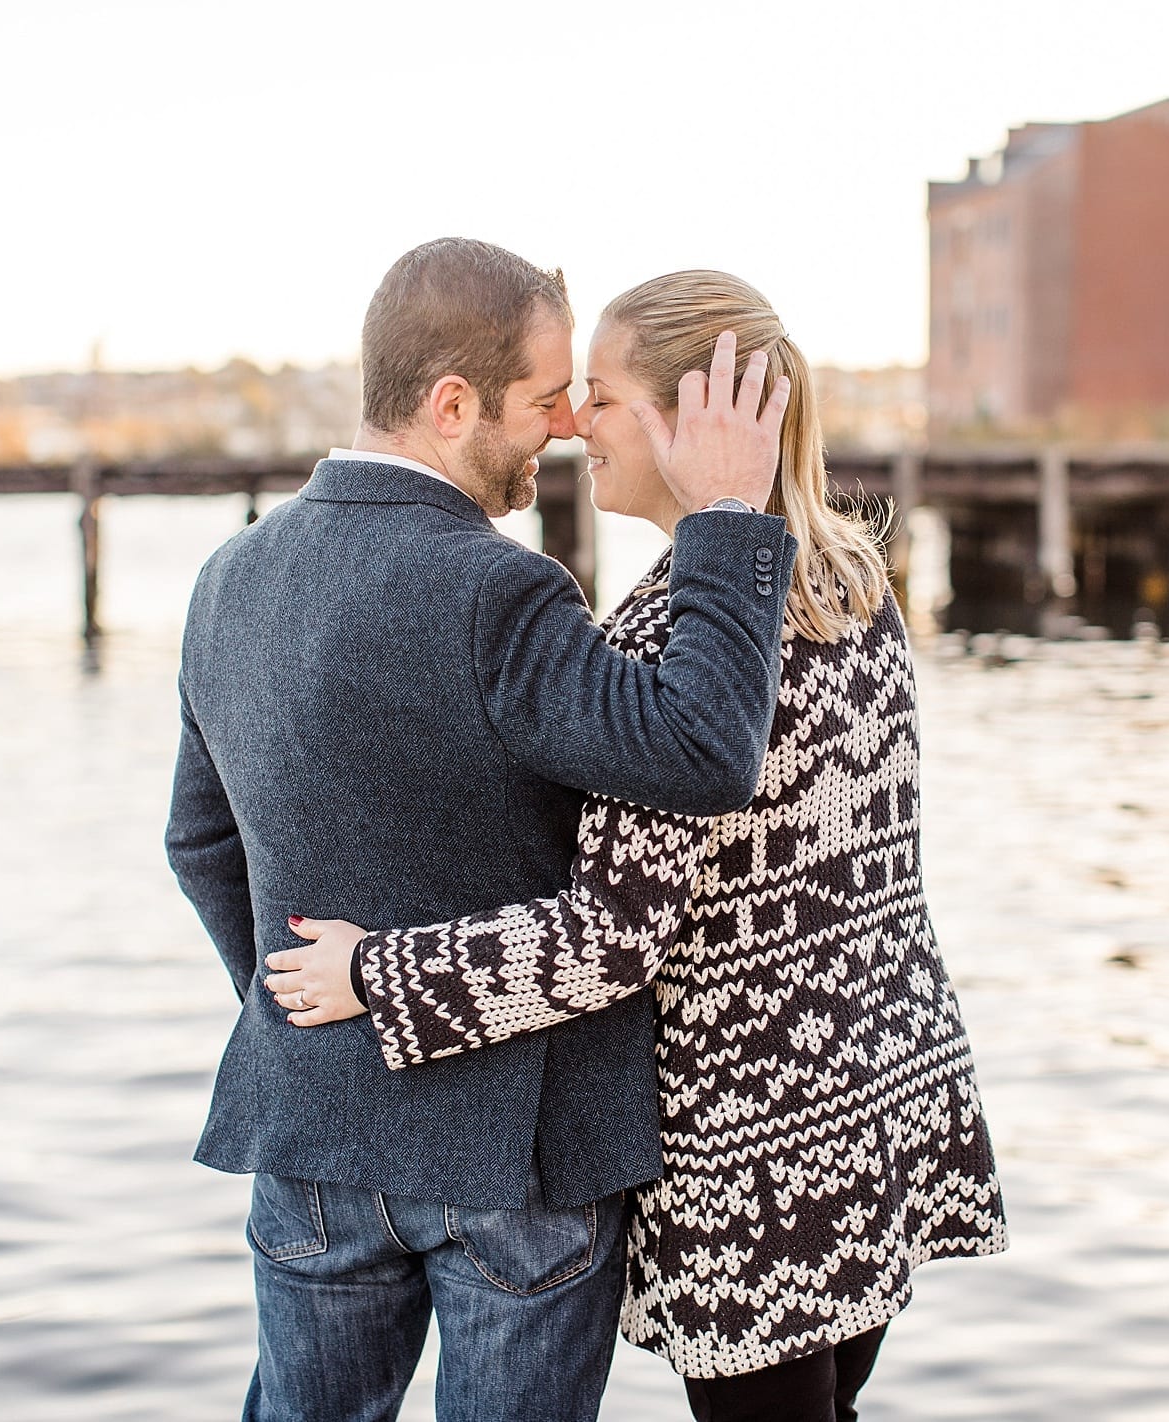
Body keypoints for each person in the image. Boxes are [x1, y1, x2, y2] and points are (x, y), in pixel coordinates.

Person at [266, 270, 1007, 1422]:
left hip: (758, 1151)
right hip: (881, 1095)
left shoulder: (681, 632)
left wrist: (373, 973)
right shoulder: (851, 582)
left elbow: (610, 940)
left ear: (694, 420)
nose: (571, 425)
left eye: (599, 398)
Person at [165, 238, 799, 1422]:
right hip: (520, 1154)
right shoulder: (501, 590)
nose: (563, 425)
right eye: (541, 398)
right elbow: (703, 753)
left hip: (309, 1131)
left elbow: (199, 845)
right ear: (451, 404)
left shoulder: (225, 580)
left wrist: (304, 1010)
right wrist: (724, 520)